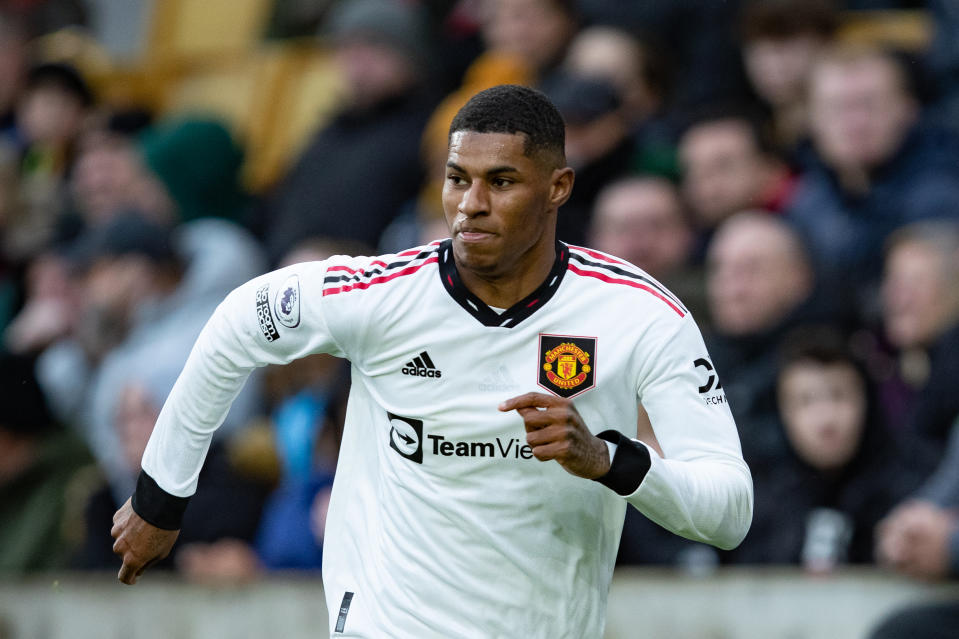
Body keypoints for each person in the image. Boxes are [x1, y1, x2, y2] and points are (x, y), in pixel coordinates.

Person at [111, 85, 752, 638]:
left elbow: (729, 512)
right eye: (456, 178)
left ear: (558, 187)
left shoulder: (639, 314)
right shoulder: (380, 294)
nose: (470, 204)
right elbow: (236, 326)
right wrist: (160, 498)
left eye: (501, 182)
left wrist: (610, 461)